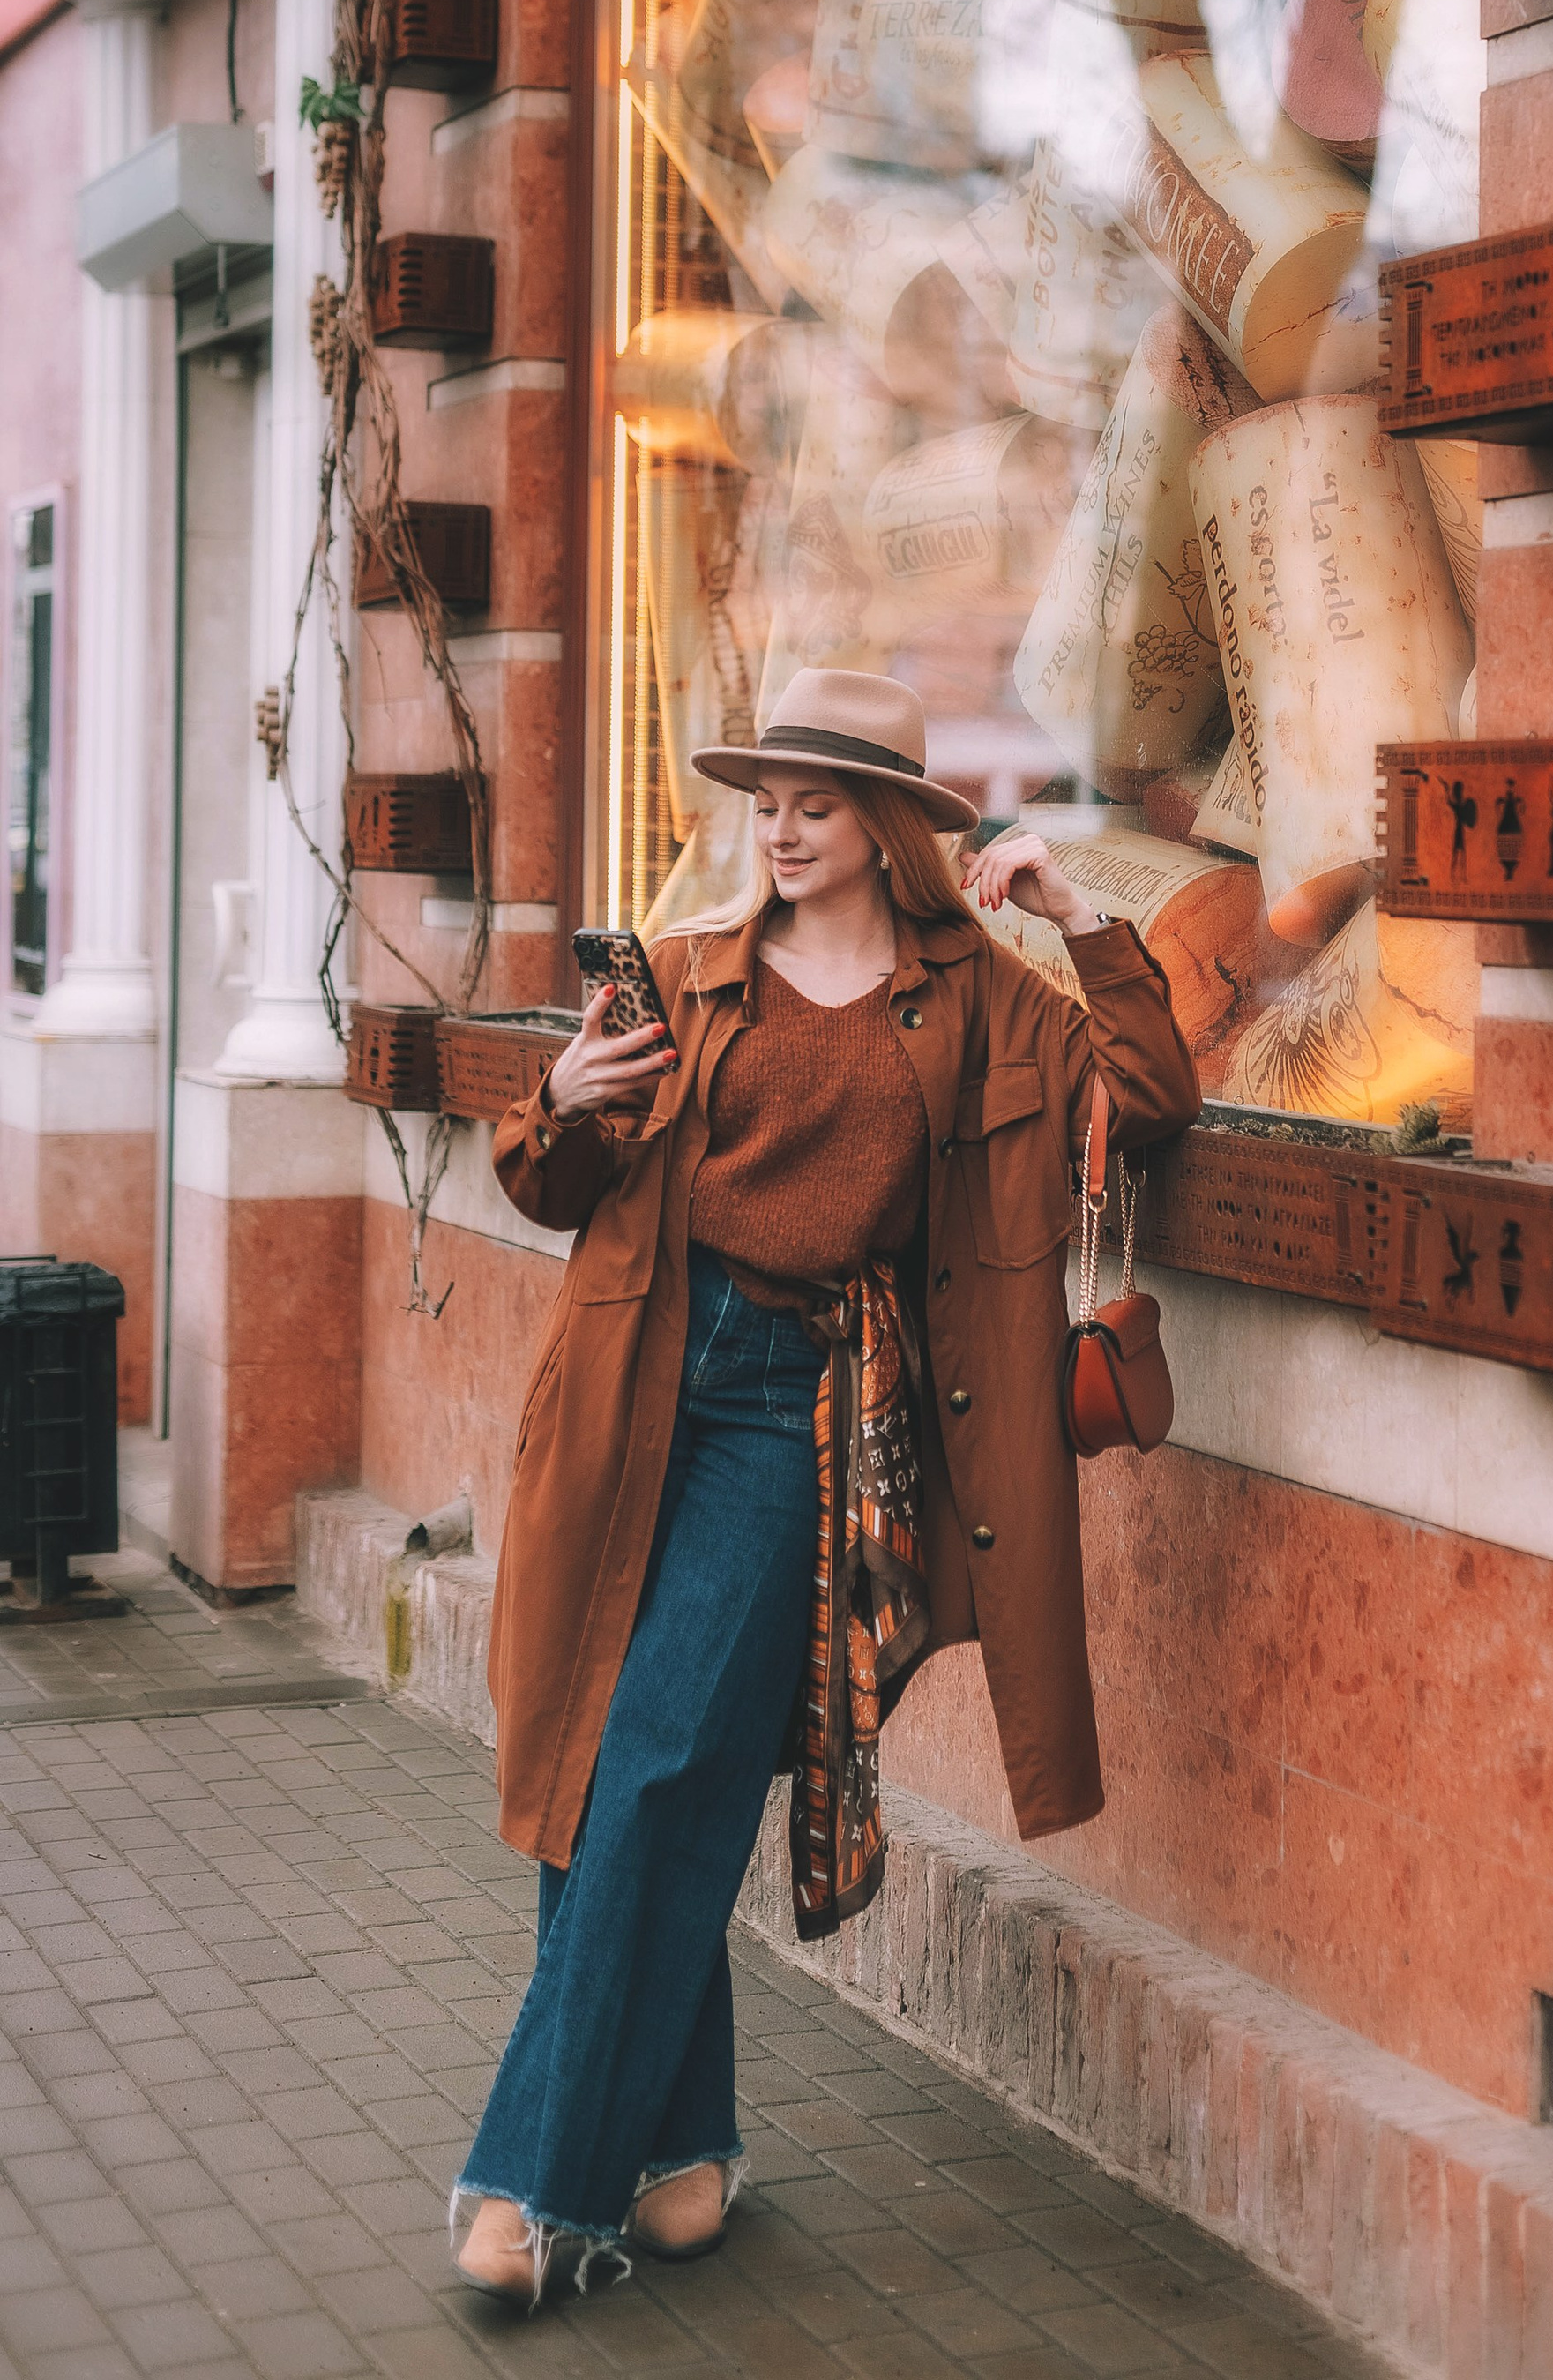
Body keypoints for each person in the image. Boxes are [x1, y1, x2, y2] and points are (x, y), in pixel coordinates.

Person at [450, 670, 1200, 2309]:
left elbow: (1147, 1101)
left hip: (802, 1409)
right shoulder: (697, 970)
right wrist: (556, 1104)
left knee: (655, 1770)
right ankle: (685, 2153)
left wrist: (1080, 916)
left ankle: (538, 2182)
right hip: (638, 1381)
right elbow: (553, 1183)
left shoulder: (985, 998)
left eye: (816, 803)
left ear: (891, 827)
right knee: (605, 1767)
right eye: (767, 803)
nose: (780, 832)